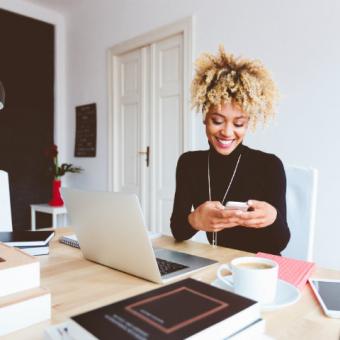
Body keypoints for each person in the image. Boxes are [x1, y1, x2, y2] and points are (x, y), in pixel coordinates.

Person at [170, 46, 290, 255]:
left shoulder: (269, 165)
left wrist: (272, 218)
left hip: (259, 268)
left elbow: (280, 243)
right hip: (217, 263)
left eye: (239, 123)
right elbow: (178, 231)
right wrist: (194, 219)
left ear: (248, 123)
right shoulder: (189, 163)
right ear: (205, 117)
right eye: (217, 121)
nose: (227, 132)